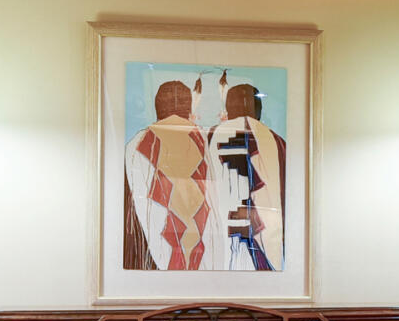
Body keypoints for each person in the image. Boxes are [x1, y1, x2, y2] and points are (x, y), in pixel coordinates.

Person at [122, 80, 209, 270]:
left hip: (151, 254)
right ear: (188, 108)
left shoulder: (136, 144)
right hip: (201, 253)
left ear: (157, 107)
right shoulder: (204, 140)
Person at [205, 81, 288, 272]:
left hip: (222, 236)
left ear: (228, 108)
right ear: (258, 109)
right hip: (265, 235)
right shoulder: (278, 142)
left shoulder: (210, 135)